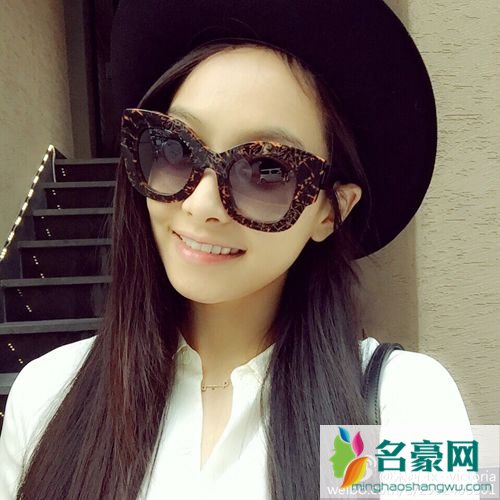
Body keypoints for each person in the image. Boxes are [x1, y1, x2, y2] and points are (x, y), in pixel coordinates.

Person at [0, 1, 475, 499]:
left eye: (267, 169)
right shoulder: (46, 396)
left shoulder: (409, 406)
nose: (201, 203)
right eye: (175, 148)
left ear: (331, 210)